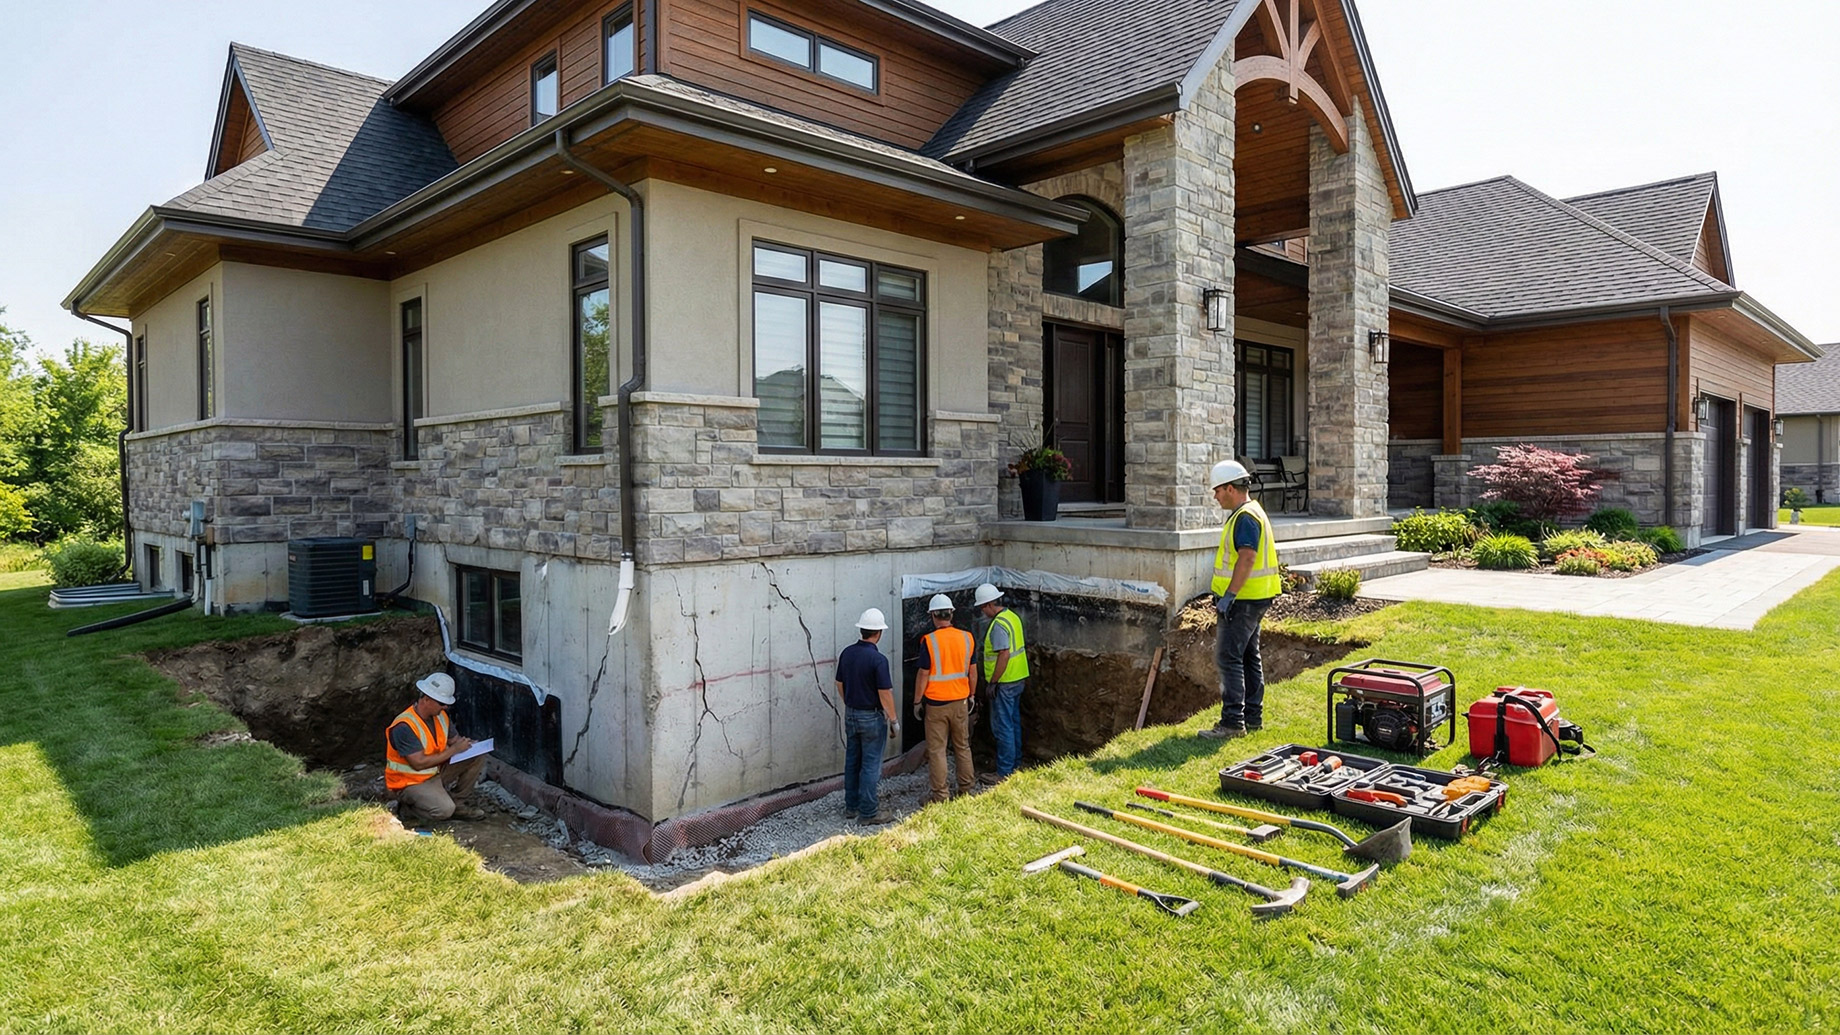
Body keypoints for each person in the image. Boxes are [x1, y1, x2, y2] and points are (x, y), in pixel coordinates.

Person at [1197, 459, 1282, 740]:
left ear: (1231, 488)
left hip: (1242, 601)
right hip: (1255, 597)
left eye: (1217, 490)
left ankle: (1233, 723)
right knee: (1248, 656)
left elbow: (1247, 557)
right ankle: (1252, 717)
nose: (1215, 496)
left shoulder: (1245, 517)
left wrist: (1230, 594)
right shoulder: (1252, 512)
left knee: (1228, 657)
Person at [386, 672, 487, 822]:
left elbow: (454, 740)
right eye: (442, 703)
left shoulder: (441, 716)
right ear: (426, 699)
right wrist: (454, 750)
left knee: (477, 755)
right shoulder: (405, 726)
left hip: (434, 771)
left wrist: (468, 745)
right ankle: (408, 810)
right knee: (444, 810)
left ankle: (458, 803)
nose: (445, 707)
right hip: (410, 782)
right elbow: (418, 763)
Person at [835, 607, 899, 825]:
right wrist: (893, 720)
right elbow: (885, 693)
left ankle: (851, 806)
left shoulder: (847, 653)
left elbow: (839, 684)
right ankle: (869, 812)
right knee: (871, 764)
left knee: (853, 761)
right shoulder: (878, 660)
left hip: (851, 713)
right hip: (871, 717)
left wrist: (850, 704)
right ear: (879, 633)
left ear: (862, 630)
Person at [914, 593, 978, 802]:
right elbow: (973, 672)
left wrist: (917, 701)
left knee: (937, 750)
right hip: (960, 702)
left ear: (933, 615)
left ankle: (941, 795)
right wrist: (972, 696)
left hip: (936, 705)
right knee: (962, 746)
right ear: (951, 613)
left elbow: (923, 674)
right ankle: (967, 788)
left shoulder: (929, 642)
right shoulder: (967, 638)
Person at [974, 582, 1029, 785]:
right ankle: (1014, 764)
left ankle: (1004, 772)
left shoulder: (998, 625)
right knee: (1013, 723)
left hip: (1004, 683)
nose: (982, 612)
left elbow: (1003, 655)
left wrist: (992, 682)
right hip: (1018, 679)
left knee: (1002, 726)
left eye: (982, 607)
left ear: (989, 604)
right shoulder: (1011, 617)